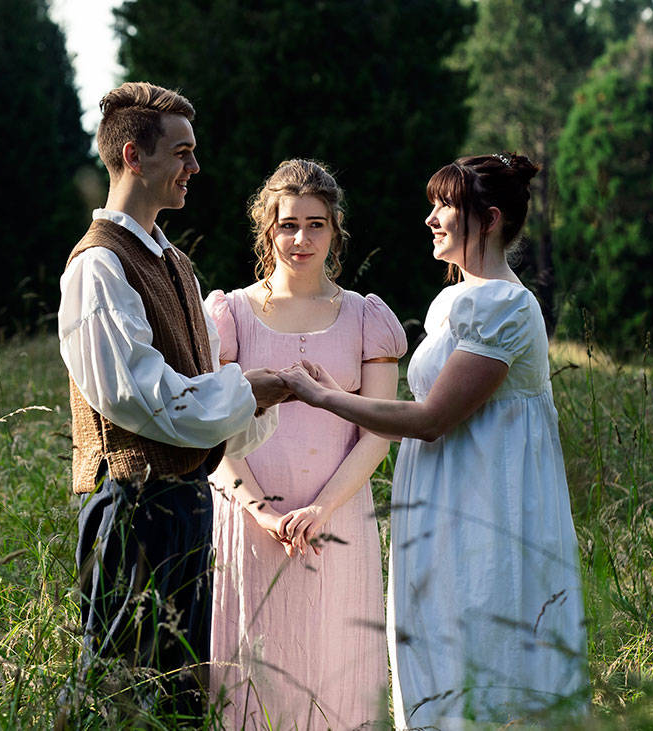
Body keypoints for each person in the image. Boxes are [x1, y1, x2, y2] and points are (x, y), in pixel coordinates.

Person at [279, 154, 588, 728]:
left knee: (484, 656)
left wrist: (321, 397)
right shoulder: (452, 301)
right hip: (442, 505)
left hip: (487, 508)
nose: (431, 218)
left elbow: (430, 419)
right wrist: (333, 392)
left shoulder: (507, 307)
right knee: (436, 652)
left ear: (489, 219)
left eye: (445, 205)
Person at [57, 81, 288, 718]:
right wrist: (247, 390)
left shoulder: (176, 264)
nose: (195, 167)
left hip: (186, 501)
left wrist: (255, 396)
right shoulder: (98, 265)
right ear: (134, 155)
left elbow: (195, 388)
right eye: (182, 152)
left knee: (180, 688)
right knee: (119, 686)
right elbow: (139, 397)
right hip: (130, 502)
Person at [205, 159, 406, 729]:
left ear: (335, 229)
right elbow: (214, 435)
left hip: (336, 521)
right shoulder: (231, 314)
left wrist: (321, 509)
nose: (301, 238)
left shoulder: (366, 318)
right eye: (288, 224)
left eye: (316, 224)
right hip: (248, 522)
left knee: (334, 673)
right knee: (253, 676)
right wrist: (264, 512)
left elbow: (379, 431)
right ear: (267, 229)